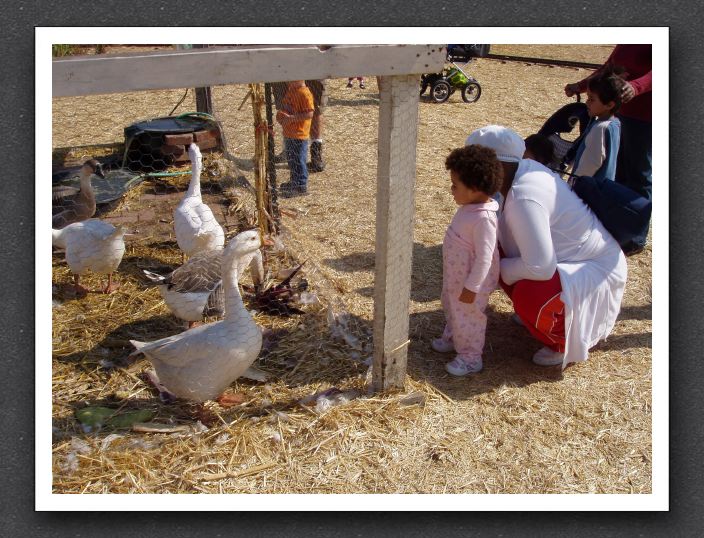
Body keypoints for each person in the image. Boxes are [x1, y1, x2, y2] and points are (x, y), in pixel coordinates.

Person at [465, 125, 627, 368]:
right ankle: (541, 314)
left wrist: (495, 268)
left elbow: (540, 266)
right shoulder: (520, 173)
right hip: (567, 264)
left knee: (528, 292)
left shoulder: (524, 194)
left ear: (498, 166)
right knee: (488, 247)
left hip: (591, 273)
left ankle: (561, 342)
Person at [565, 45, 652, 253]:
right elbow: (608, 68)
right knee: (620, 173)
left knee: (639, 175)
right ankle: (619, 228)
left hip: (644, 116)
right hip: (621, 112)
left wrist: (636, 87)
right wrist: (582, 85)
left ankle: (635, 238)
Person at [432, 145, 502, 376]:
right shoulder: (470, 206)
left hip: (472, 282)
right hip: (457, 276)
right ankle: (453, 336)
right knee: (451, 304)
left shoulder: (484, 218)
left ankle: (471, 357)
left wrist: (473, 287)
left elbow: (485, 258)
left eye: (455, 185)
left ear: (473, 189)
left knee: (469, 316)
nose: (451, 190)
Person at [570, 69, 626, 181]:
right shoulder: (616, 124)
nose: (587, 103)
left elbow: (590, 164)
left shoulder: (600, 128)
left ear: (609, 105)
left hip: (587, 191)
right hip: (603, 189)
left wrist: (573, 183)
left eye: (592, 99)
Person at [272, 80, 327, 173]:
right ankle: (288, 151)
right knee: (286, 104)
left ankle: (316, 151)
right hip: (281, 68)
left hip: (310, 68)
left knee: (314, 104)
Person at [275, 80, 314, 195]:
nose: (287, 81)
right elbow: (286, 108)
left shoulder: (304, 93)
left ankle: (301, 186)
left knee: (299, 160)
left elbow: (310, 114)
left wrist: (292, 118)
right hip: (289, 132)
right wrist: (281, 115)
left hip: (299, 134)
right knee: (291, 159)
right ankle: (294, 182)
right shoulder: (291, 91)